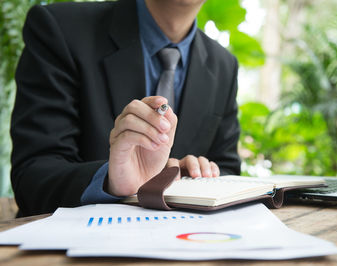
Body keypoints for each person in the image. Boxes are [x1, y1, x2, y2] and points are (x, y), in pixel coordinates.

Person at [11, 0, 241, 217]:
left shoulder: (224, 65)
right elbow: (33, 176)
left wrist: (197, 176)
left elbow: (228, 169)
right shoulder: (61, 28)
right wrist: (111, 181)